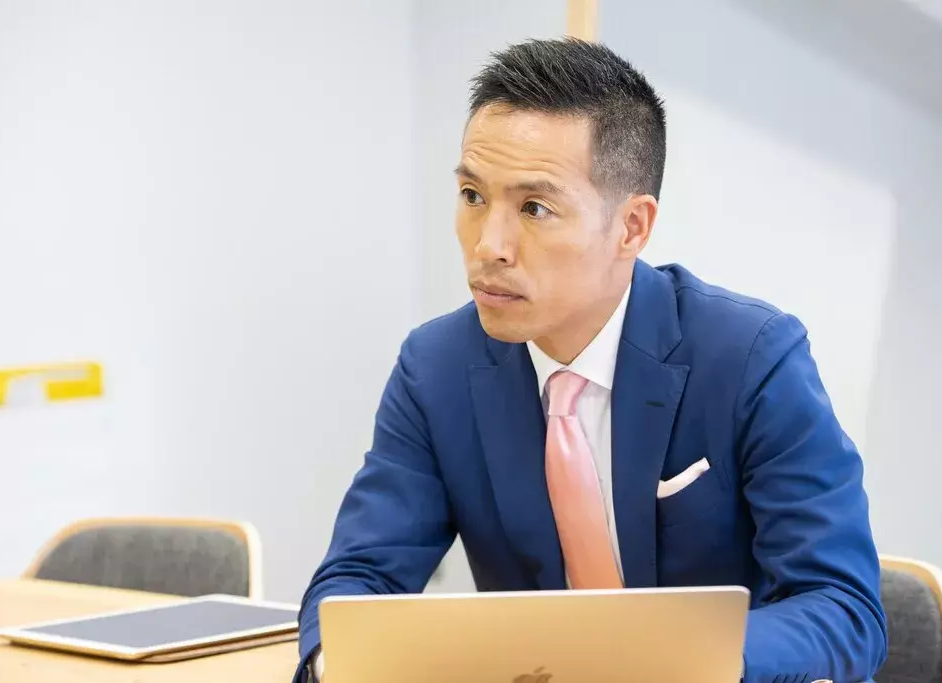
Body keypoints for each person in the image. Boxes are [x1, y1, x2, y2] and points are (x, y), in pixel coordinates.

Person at [295, 38, 887, 683]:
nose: (488, 245)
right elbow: (360, 579)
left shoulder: (750, 356)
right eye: (472, 196)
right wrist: (335, 662)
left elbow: (841, 607)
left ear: (631, 227)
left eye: (535, 208)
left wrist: (666, 662)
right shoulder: (435, 369)